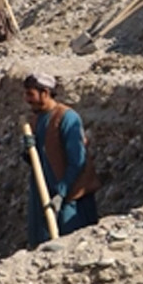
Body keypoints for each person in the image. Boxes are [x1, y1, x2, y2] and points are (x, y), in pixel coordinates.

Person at [22, 73, 101, 247]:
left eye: (30, 94)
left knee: (71, 245)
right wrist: (28, 151)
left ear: (45, 92)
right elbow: (39, 160)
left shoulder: (67, 118)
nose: (27, 99)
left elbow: (77, 161)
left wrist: (62, 193)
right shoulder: (36, 120)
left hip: (70, 199)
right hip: (45, 196)